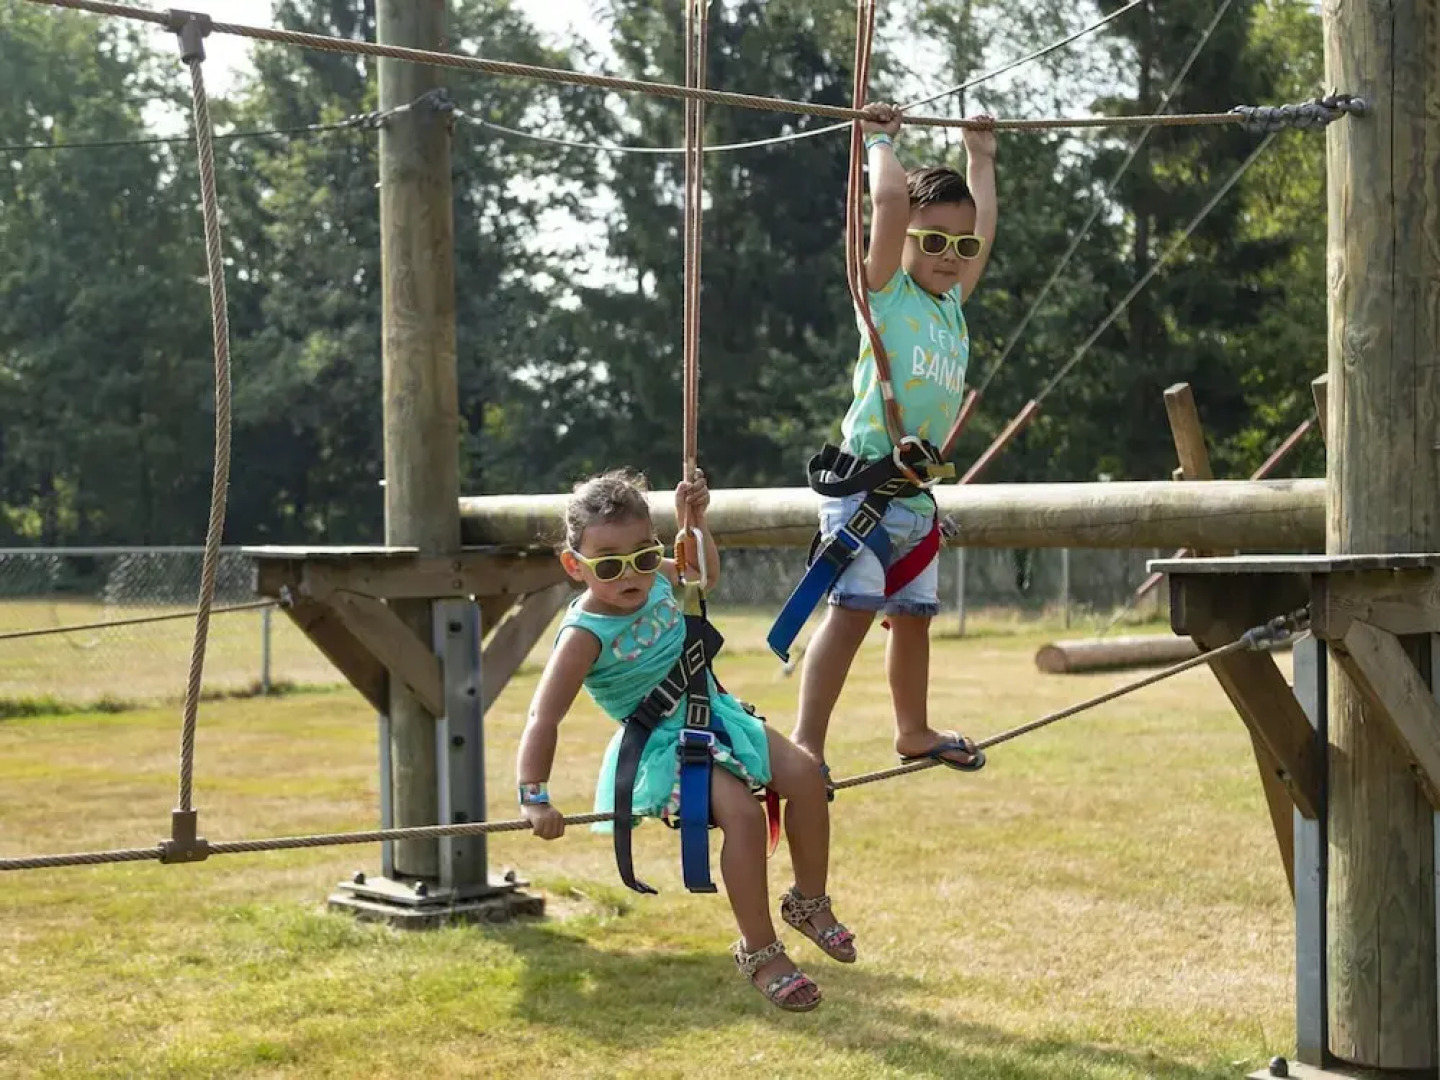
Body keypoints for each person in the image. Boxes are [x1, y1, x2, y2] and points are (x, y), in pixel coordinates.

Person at [516, 468, 856, 1012]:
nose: (631, 573)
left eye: (645, 555)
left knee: (807, 778)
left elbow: (701, 574)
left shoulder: (654, 579)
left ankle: (808, 901)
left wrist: (692, 519)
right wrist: (534, 796)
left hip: (715, 712)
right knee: (742, 818)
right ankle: (760, 950)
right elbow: (543, 717)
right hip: (665, 744)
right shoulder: (583, 636)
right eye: (608, 562)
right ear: (574, 565)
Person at [791, 103, 999, 792]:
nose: (950, 256)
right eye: (932, 240)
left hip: (914, 498)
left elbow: (985, 230)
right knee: (850, 610)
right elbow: (885, 203)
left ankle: (913, 729)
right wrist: (879, 140)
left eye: (959, 247)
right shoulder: (884, 293)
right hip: (864, 490)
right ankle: (806, 743)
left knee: (913, 619)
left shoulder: (951, 306)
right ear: (904, 239)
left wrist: (982, 161)